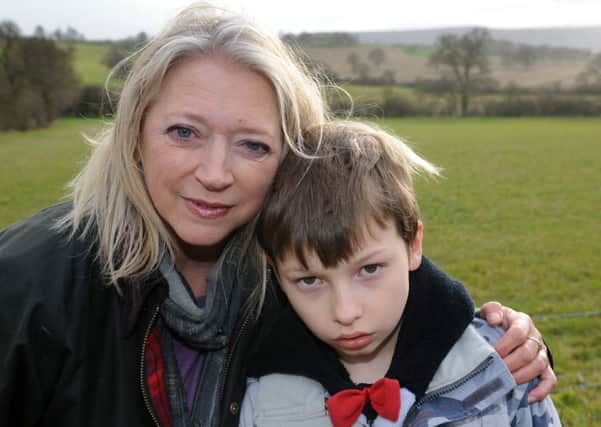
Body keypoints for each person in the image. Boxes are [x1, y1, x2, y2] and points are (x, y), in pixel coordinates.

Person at [0, 4, 554, 427]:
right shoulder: (24, 286)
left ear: (291, 162)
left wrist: (504, 348)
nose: (215, 172)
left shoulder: (290, 275)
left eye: (253, 146)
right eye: (184, 132)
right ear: (135, 134)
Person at [240, 121, 560, 426]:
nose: (346, 312)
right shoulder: (265, 399)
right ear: (276, 273)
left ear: (413, 245)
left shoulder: (503, 362)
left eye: (369, 269)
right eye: (309, 280)